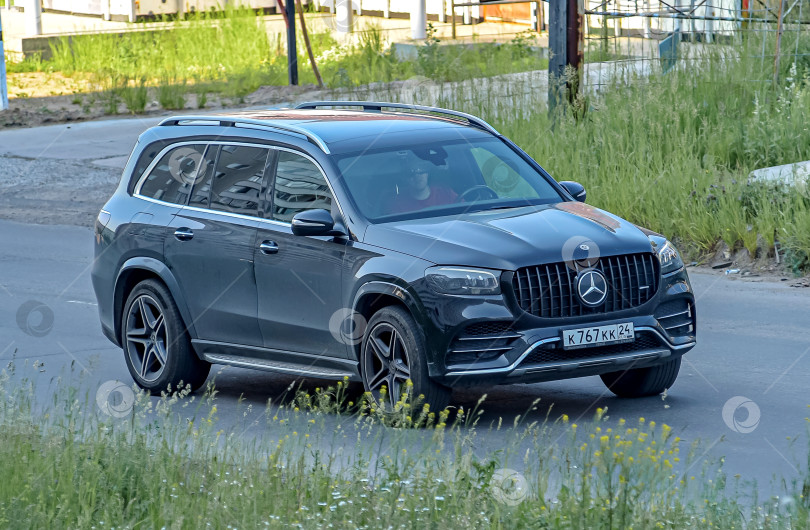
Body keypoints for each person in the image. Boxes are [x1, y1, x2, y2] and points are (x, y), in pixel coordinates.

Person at [390, 161, 458, 214]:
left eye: (421, 171)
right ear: (405, 179)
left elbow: (463, 212)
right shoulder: (397, 204)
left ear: (427, 174)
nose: (417, 176)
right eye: (411, 173)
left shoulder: (445, 192)